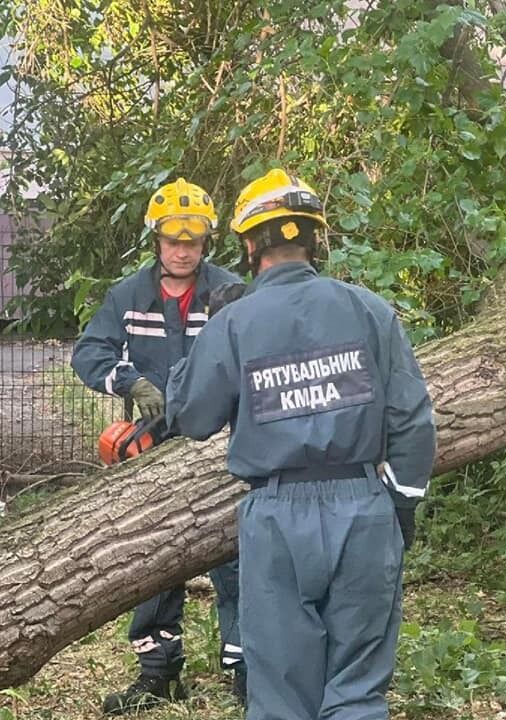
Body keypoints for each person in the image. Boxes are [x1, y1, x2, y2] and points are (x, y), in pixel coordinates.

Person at [164, 168, 436, 720]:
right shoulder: (369, 310)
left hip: (276, 519)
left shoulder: (234, 321)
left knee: (282, 699)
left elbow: (191, 417)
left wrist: (209, 335)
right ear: (315, 237)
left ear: (247, 244)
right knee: (357, 693)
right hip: (364, 510)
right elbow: (413, 422)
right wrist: (400, 503)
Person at [71, 178, 247, 713]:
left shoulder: (231, 291)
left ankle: (245, 668)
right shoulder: (129, 294)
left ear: (206, 241)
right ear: (157, 238)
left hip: (221, 444)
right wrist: (129, 381)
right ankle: (159, 671)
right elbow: (89, 352)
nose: (182, 249)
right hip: (152, 447)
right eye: (174, 239)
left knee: (235, 555)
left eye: (193, 240)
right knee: (151, 554)